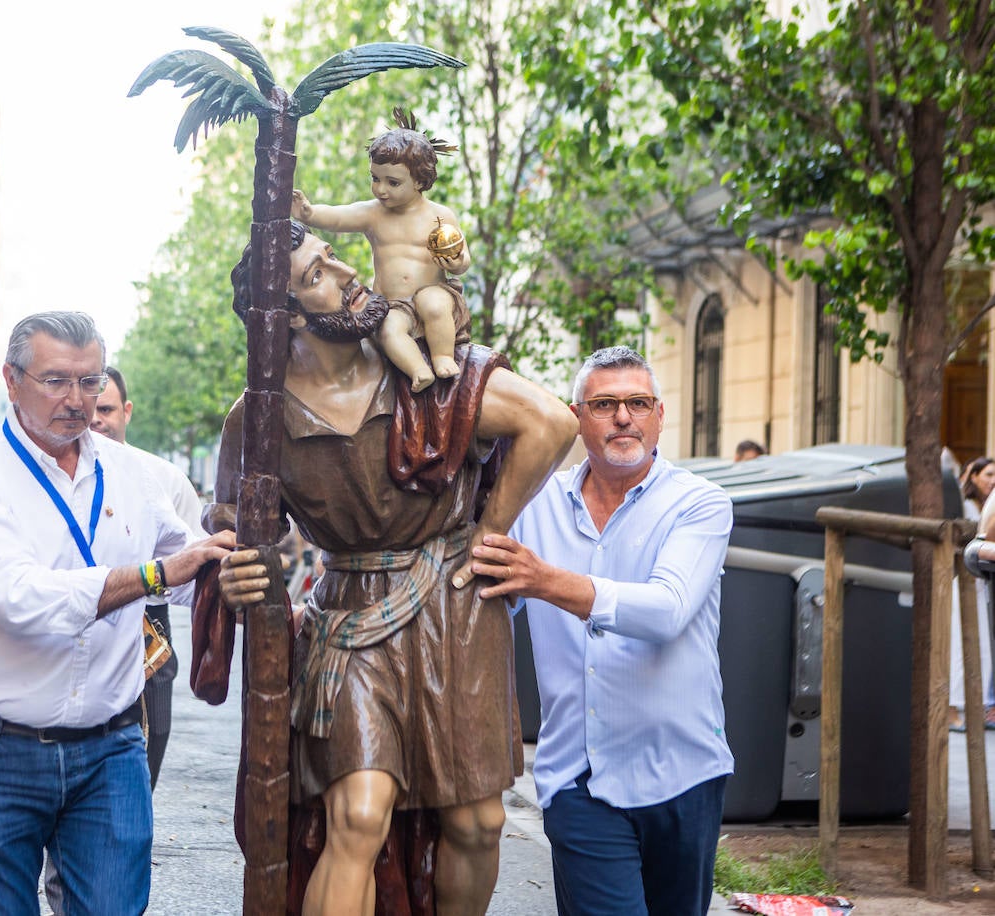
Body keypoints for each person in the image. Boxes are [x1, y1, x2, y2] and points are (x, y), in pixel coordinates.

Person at [214, 222, 577, 914]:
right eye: (318, 272)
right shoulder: (257, 419)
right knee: (358, 813)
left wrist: (489, 532)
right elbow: (233, 526)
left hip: (455, 600)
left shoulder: (431, 374)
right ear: (282, 314)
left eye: (332, 255)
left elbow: (552, 424)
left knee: (477, 821)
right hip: (350, 614)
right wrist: (236, 573)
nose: (348, 271)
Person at [0, 311, 236, 915]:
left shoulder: (133, 473)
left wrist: (232, 575)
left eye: (90, 382)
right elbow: (21, 600)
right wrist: (153, 575)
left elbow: (183, 570)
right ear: (11, 380)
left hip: (112, 748)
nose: (76, 401)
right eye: (56, 381)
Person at [471, 345, 735, 916]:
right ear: (576, 417)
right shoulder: (532, 504)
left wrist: (544, 581)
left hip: (682, 773)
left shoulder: (699, 504)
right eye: (605, 403)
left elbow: (667, 610)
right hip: (578, 781)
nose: (623, 417)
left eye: (638, 403)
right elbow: (485, 603)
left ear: (660, 415)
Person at [38, 364, 205, 914]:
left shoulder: (159, 478)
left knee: (129, 798)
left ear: (125, 412)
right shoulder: (38, 473)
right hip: (60, 651)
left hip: (148, 647)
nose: (94, 416)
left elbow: (193, 571)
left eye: (106, 408)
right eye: (82, 399)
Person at [292, 110, 472, 393]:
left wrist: (458, 262)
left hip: (434, 291)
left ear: (420, 182)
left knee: (433, 305)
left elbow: (461, 257)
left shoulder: (440, 215)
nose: (380, 189)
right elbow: (340, 217)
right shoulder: (374, 214)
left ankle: (442, 357)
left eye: (393, 182)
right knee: (388, 330)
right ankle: (418, 370)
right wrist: (309, 213)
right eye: (375, 178)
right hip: (396, 304)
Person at [951, 456, 995, 731]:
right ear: (974, 476)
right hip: (968, 582)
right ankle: (958, 707)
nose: (992, 480)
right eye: (988, 474)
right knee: (964, 644)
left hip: (980, 581)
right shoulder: (964, 504)